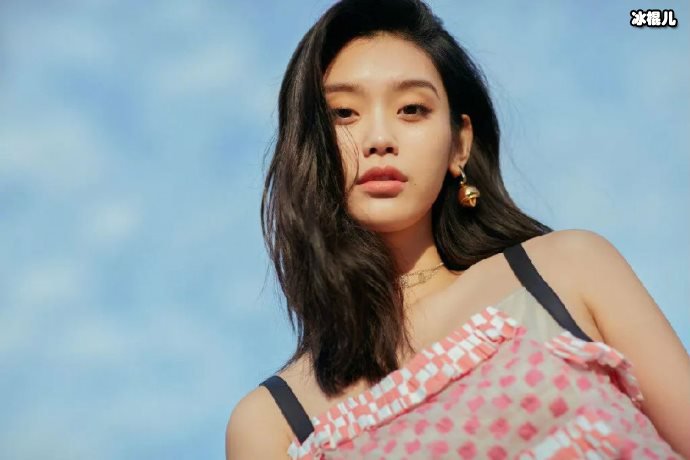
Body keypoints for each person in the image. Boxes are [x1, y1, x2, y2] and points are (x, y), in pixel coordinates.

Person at [226, 0, 690, 458]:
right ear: (306, 147)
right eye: (344, 113)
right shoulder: (271, 425)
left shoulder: (568, 269)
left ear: (459, 144)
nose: (379, 139)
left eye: (411, 108)